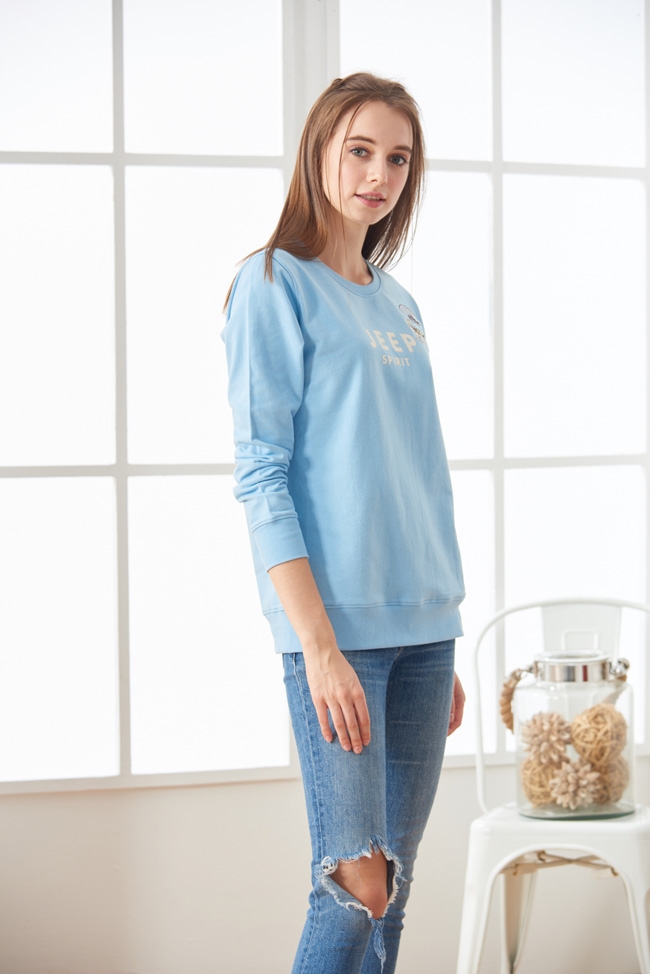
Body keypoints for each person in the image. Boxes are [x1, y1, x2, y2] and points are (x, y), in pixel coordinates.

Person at [222, 72, 466, 974]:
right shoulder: (272, 283)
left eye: (397, 159)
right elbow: (262, 475)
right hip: (338, 636)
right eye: (360, 150)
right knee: (354, 884)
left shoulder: (398, 302)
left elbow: (415, 471)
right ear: (319, 150)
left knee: (391, 889)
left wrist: (440, 623)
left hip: (424, 631)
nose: (378, 174)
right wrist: (317, 648)